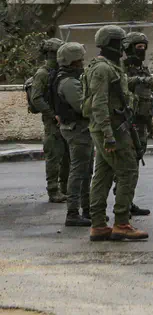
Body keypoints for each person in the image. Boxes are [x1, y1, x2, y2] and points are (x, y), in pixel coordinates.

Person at [82, 25, 147, 241]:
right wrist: (109, 135)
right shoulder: (103, 69)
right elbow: (99, 104)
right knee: (128, 172)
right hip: (111, 130)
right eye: (120, 43)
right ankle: (121, 223)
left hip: (110, 127)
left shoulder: (109, 66)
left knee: (102, 176)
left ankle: (99, 225)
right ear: (111, 43)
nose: (123, 48)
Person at [53, 42, 93, 227]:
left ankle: (87, 210)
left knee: (86, 171)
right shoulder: (69, 82)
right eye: (80, 59)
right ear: (72, 61)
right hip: (77, 130)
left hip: (79, 129)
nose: (82, 63)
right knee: (78, 172)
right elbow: (82, 107)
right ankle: (73, 212)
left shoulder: (69, 78)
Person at [30, 38, 69, 203]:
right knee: (54, 155)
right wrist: (52, 115)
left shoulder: (61, 72)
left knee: (67, 155)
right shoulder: (43, 73)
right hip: (52, 122)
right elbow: (36, 98)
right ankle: (53, 190)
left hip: (64, 119)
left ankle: (64, 188)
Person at [120, 32, 153, 217]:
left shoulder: (143, 69)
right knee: (127, 166)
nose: (142, 51)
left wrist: (151, 125)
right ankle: (123, 205)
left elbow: (147, 99)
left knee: (135, 165)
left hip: (142, 123)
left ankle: (129, 201)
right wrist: (139, 80)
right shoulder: (121, 67)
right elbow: (122, 84)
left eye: (143, 47)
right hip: (128, 124)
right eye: (138, 47)